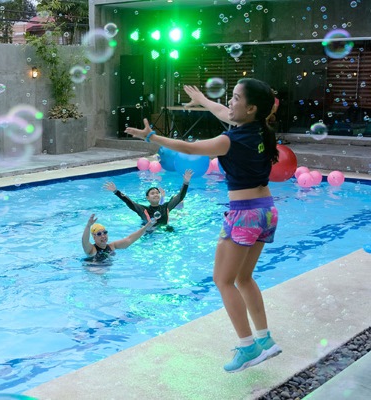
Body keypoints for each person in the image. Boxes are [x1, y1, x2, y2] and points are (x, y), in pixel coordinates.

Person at [125, 78, 281, 373]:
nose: (230, 102)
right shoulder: (260, 128)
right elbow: (223, 112)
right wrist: (203, 101)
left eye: (235, 98)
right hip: (267, 211)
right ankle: (266, 340)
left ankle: (248, 347)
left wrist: (151, 137)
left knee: (222, 280)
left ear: (250, 108)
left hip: (245, 213)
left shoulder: (230, 141)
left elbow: (190, 147)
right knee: (244, 278)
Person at [104, 169, 193, 230]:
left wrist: (186, 182)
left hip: (165, 232)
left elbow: (180, 197)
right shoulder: (143, 210)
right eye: (152, 193)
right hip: (150, 234)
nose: (156, 194)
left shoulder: (166, 207)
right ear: (147, 198)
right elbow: (129, 202)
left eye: (157, 193)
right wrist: (116, 191)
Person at [82, 214, 155, 264]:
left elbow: (129, 239)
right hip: (93, 271)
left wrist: (146, 227)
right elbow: (84, 241)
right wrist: (88, 226)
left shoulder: (112, 246)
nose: (103, 236)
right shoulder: (92, 250)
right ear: (94, 237)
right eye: (99, 234)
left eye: (105, 232)